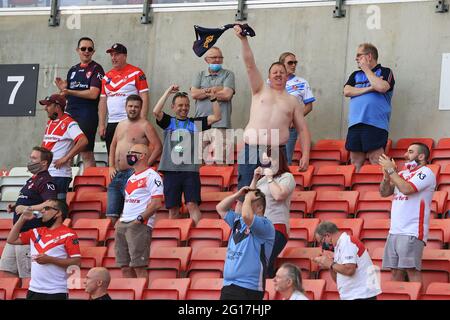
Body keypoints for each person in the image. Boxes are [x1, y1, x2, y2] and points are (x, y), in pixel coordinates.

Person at [233, 24, 311, 212]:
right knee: (245, 193)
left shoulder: (292, 101)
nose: (278, 74)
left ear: (287, 77)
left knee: (270, 195)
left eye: (281, 72)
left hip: (277, 151)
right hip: (252, 148)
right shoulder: (259, 89)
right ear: (268, 76)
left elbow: (302, 129)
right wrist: (244, 40)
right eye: (274, 72)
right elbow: (250, 64)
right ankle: (238, 235)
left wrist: (306, 154)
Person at [153, 85, 221, 225]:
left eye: (186, 105)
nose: (184, 108)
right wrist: (167, 92)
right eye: (180, 105)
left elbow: (217, 117)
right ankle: (174, 241)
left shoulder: (195, 123)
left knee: (192, 205)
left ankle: (198, 235)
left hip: (190, 171)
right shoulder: (169, 122)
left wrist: (213, 98)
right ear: (173, 107)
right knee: (173, 209)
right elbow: (156, 111)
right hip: (171, 171)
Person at [379, 143, 436, 284]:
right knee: (395, 272)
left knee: (412, 271)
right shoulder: (402, 174)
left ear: (421, 156)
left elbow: (407, 189)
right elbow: (384, 193)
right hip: (394, 231)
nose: (405, 154)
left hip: (412, 231)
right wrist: (387, 176)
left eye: (410, 151)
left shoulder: (426, 172)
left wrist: (392, 172)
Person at [6, 199, 81, 300]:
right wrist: (22, 218)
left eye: (46, 208)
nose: (42, 211)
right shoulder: (36, 231)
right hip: (33, 289)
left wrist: (50, 260)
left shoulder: (69, 234)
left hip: (56, 291)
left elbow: (76, 263)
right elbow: (11, 239)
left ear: (58, 213)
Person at [0, 147, 57, 279]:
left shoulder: (46, 181)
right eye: (31, 157)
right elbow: (30, 199)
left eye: (34, 158)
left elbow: (51, 204)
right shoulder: (32, 179)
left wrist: (28, 208)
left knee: (27, 277)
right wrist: (16, 206)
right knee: (6, 271)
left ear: (44, 163)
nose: (30, 161)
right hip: (16, 233)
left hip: (29, 236)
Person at [106, 95, 162, 224]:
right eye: (130, 106)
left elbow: (158, 147)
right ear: (125, 107)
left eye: (136, 107)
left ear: (141, 108)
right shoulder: (120, 124)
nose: (133, 109)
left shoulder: (145, 125)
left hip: (133, 174)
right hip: (116, 174)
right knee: (111, 215)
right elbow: (113, 145)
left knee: (130, 215)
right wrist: (111, 166)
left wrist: (143, 167)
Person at [343, 43, 395, 172]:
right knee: (355, 160)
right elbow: (347, 91)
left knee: (376, 158)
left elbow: (382, 87)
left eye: (359, 55)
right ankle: (356, 191)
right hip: (355, 123)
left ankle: (378, 191)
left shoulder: (385, 71)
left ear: (369, 56)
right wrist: (371, 88)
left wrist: (366, 70)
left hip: (375, 123)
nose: (356, 59)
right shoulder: (355, 75)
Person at [55, 37, 105, 169]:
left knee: (86, 154)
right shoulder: (72, 69)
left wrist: (70, 91)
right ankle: (67, 186)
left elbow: (94, 93)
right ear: (78, 50)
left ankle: (90, 188)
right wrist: (63, 91)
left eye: (90, 49)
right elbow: (67, 93)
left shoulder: (97, 68)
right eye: (83, 48)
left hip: (86, 115)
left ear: (93, 51)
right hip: (69, 114)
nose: (86, 51)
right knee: (66, 152)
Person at [216, 188, 275, 300]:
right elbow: (220, 208)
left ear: (260, 208)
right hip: (229, 285)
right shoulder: (238, 221)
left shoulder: (266, 225)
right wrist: (238, 195)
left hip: (248, 288)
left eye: (248, 203)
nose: (244, 206)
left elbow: (247, 216)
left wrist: (247, 197)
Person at [115, 144, 163, 278]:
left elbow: (157, 203)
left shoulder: (152, 176)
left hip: (139, 225)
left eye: (132, 152)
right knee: (124, 266)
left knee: (138, 266)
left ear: (142, 156)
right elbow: (129, 202)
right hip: (124, 223)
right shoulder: (131, 177)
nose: (128, 155)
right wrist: (120, 219)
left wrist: (140, 219)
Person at [249, 146, 295, 278]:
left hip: (277, 226)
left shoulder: (286, 177)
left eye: (270, 160)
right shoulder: (262, 180)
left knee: (262, 262)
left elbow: (279, 195)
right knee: (261, 265)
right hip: (260, 226)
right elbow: (250, 200)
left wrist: (270, 178)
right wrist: (255, 178)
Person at [98, 43, 150, 155]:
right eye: (111, 55)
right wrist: (102, 124)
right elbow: (102, 101)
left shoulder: (137, 72)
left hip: (130, 121)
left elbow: (144, 96)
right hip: (111, 122)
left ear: (125, 56)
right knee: (112, 155)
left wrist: (142, 119)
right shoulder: (106, 77)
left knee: (131, 155)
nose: (113, 58)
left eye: (116, 54)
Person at [313, 221, 381, 300]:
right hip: (353, 295)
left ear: (327, 235)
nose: (322, 245)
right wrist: (329, 265)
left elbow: (349, 270)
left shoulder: (347, 242)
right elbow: (338, 279)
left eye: (321, 241)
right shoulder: (339, 246)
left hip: (361, 294)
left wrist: (330, 263)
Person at [191, 46, 235, 164]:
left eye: (220, 57)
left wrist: (203, 91)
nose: (217, 60)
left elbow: (227, 95)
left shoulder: (228, 75)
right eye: (214, 57)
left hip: (221, 124)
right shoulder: (199, 75)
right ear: (206, 59)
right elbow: (194, 94)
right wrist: (214, 90)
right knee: (197, 162)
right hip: (200, 124)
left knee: (221, 162)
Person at [40, 94, 88, 199]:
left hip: (59, 174)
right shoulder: (50, 122)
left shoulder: (70, 123)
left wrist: (66, 158)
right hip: (46, 172)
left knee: (56, 208)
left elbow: (83, 141)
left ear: (57, 107)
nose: (45, 108)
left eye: (48, 105)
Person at [278, 52, 316, 165]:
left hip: (290, 127)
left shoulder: (302, 82)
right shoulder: (271, 81)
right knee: (270, 160)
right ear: (281, 64)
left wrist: (295, 119)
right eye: (290, 62)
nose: (294, 65)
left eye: (295, 62)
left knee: (285, 160)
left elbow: (309, 106)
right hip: (273, 126)